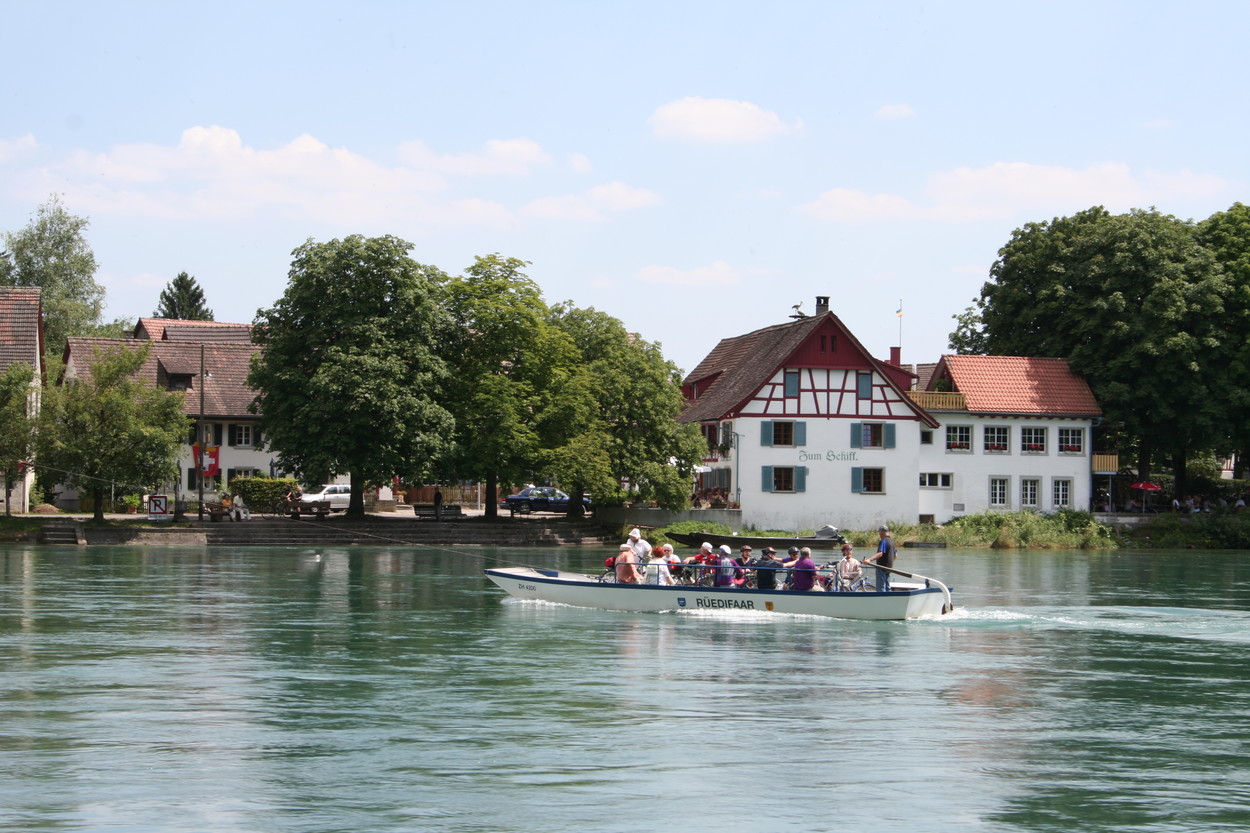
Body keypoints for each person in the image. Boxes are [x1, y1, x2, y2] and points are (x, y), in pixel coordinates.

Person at [863, 525, 897, 591]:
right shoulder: (892, 541)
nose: (879, 535)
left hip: (881, 568)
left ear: (882, 533)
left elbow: (880, 554)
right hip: (889, 568)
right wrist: (889, 563)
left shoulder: (883, 541)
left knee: (880, 588)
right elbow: (895, 555)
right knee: (887, 587)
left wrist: (869, 559)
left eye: (879, 533)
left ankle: (881, 597)